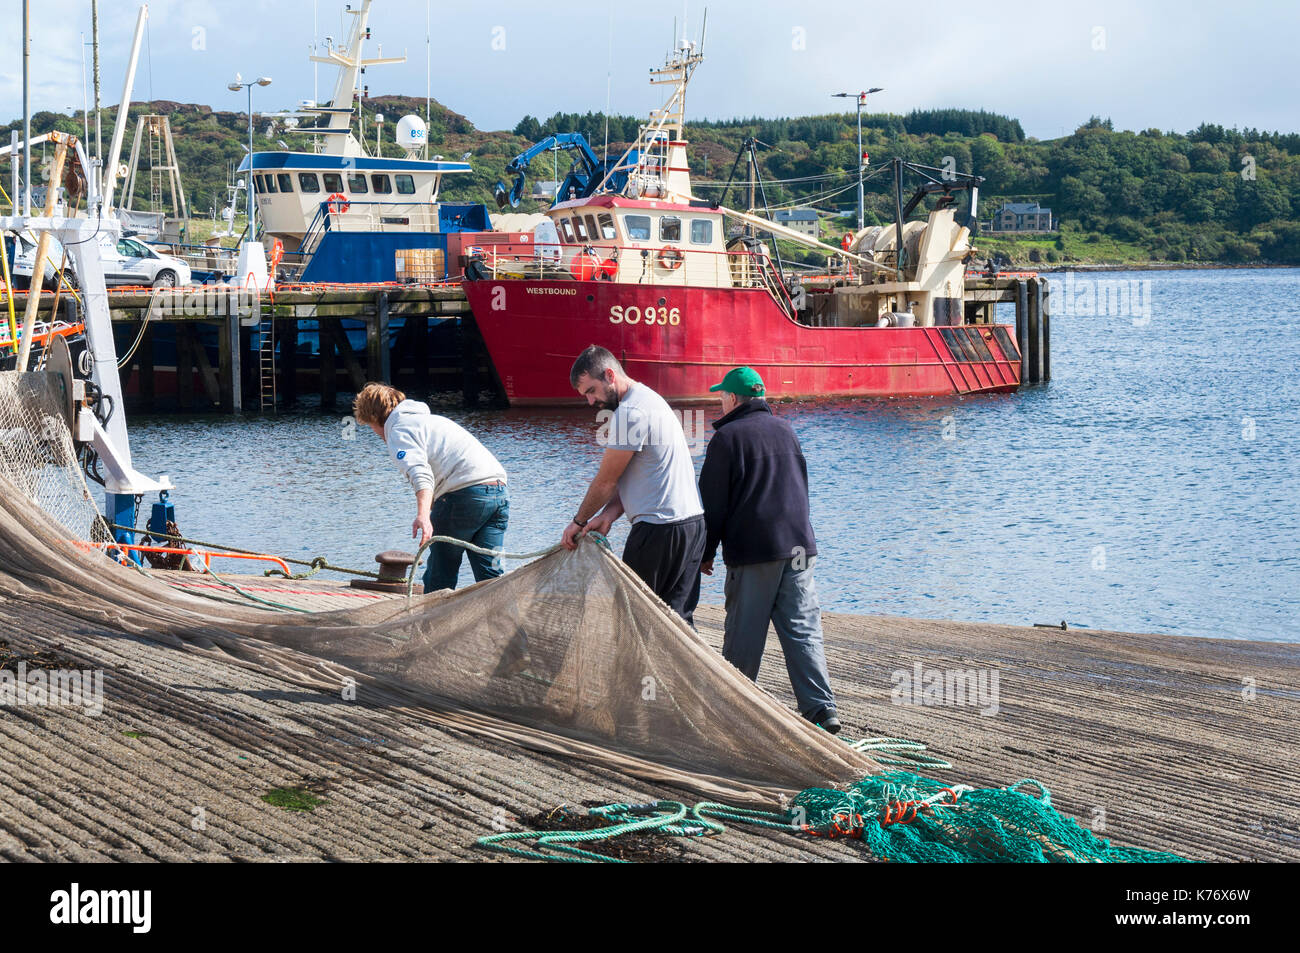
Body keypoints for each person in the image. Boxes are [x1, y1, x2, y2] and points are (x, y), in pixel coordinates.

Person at [696, 367, 841, 734]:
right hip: (798, 546)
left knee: (745, 633)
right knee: (802, 629)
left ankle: (735, 710)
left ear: (732, 399)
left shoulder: (727, 438)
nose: (720, 402)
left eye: (721, 396)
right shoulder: (787, 431)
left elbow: (713, 504)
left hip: (755, 550)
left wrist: (705, 552)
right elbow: (801, 488)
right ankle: (821, 710)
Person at [562, 345, 706, 624]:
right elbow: (638, 475)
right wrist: (608, 515)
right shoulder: (650, 399)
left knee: (633, 621)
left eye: (591, 391)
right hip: (692, 525)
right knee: (678, 625)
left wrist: (578, 522)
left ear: (609, 375)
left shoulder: (630, 414)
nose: (591, 402)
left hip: (659, 531)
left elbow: (605, 481)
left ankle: (640, 671)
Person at [352, 382, 509, 593]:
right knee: (492, 579)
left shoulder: (399, 430)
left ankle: (429, 626)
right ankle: (511, 625)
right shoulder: (433, 421)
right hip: (499, 494)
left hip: (464, 496)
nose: (374, 432)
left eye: (369, 425)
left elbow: (421, 474)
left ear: (373, 417)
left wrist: (423, 516)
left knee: (439, 575)